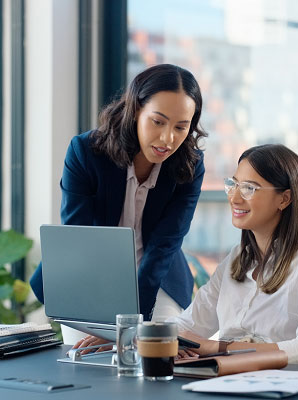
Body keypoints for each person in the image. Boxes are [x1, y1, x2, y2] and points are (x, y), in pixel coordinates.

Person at [30, 64, 208, 326]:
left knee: (155, 355)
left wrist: (136, 319)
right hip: (88, 272)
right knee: (84, 359)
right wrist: (106, 309)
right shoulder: (86, 152)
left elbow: (165, 244)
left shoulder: (190, 165)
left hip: (157, 280)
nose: (167, 139)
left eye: (181, 127)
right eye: (157, 122)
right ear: (136, 110)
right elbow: (80, 234)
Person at [170, 144, 298, 367]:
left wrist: (217, 348)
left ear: (284, 199)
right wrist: (163, 339)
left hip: (286, 385)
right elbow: (187, 326)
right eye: (233, 185)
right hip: (230, 379)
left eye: (249, 188)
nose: (234, 198)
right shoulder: (237, 259)